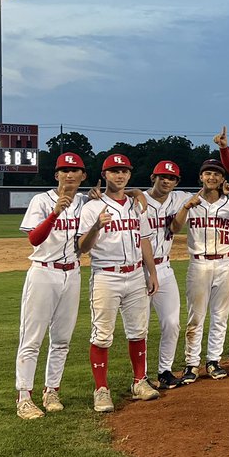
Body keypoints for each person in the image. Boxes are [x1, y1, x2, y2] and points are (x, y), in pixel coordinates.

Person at [77, 153, 160, 412]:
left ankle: (139, 382)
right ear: (104, 175)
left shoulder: (137, 205)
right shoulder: (91, 207)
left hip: (136, 274)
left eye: (124, 170)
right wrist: (96, 227)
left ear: (129, 174)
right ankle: (101, 390)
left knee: (138, 331)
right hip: (106, 275)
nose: (119, 175)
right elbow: (82, 248)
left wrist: (152, 273)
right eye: (114, 171)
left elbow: (144, 239)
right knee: (102, 335)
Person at [13, 151, 88, 419]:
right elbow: (34, 238)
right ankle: (24, 397)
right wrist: (55, 213)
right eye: (64, 171)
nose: (69, 175)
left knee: (62, 340)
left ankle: (52, 390)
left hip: (73, 273)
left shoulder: (86, 202)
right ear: (56, 175)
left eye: (75, 170)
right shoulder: (41, 200)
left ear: (83, 176)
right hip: (44, 273)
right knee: (32, 339)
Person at [172, 159, 229, 384]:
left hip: (225, 263)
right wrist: (186, 207)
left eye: (217, 174)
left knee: (220, 316)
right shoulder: (189, 201)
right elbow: (174, 228)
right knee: (195, 317)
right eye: (208, 174)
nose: (212, 178)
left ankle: (214, 360)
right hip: (198, 264)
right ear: (201, 177)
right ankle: (191, 364)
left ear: (222, 179)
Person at [143, 160, 192, 389]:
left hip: (164, 267)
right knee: (139, 327)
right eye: (162, 176)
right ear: (153, 177)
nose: (166, 180)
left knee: (172, 323)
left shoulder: (180, 197)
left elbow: (208, 187)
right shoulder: (137, 200)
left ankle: (165, 371)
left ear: (176, 182)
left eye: (171, 178)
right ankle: (140, 377)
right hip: (138, 270)